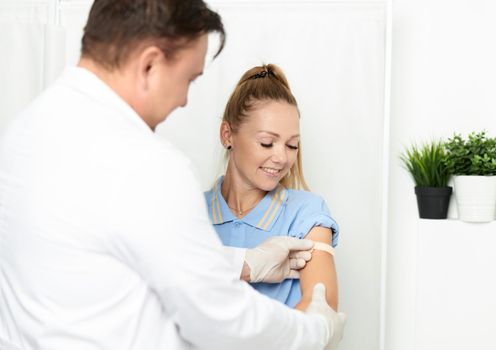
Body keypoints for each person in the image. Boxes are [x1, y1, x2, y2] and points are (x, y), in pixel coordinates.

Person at [0, 1, 346, 350]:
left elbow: (109, 252)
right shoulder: (148, 166)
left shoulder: (20, 136)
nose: (183, 100)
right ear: (150, 64)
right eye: (188, 79)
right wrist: (315, 329)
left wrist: (244, 263)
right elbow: (220, 316)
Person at [206, 64, 339, 311]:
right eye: (267, 143)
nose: (281, 158)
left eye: (292, 145)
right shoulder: (191, 211)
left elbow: (321, 308)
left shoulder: (307, 215)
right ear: (227, 135)